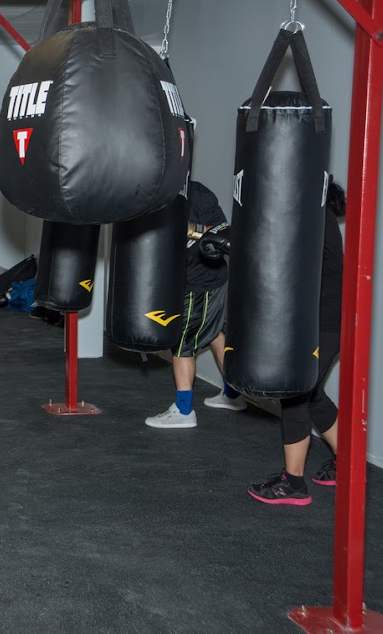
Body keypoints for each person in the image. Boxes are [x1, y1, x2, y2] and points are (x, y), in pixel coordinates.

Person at [247, 181, 344, 505]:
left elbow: (284, 254)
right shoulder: (316, 215)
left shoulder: (317, 216)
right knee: (313, 396)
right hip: (320, 321)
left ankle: (294, 483)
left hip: (324, 323)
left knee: (295, 396)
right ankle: (349, 463)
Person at [145, 180, 244, 429]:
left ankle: (184, 409)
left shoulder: (198, 194)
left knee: (182, 340)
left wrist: (186, 228)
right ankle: (233, 396)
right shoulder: (152, 192)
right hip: (183, 279)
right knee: (215, 335)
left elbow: (223, 233)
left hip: (203, 279)